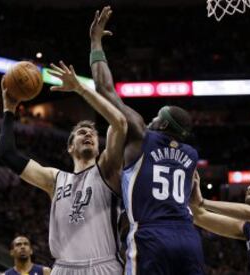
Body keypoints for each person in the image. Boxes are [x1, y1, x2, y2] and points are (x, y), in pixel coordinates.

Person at [89, 7, 205, 275]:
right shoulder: (191, 155)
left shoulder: (142, 134)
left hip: (151, 236)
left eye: (156, 116)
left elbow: (104, 89)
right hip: (189, 237)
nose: (151, 119)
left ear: (162, 125)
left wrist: (96, 41)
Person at [0, 62, 127, 275]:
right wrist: (9, 111)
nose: (87, 134)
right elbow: (7, 154)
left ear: (98, 145)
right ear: (69, 147)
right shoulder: (54, 179)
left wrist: (80, 88)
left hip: (103, 266)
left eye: (92, 133)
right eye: (81, 132)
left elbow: (120, 123)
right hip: (63, 269)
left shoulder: (107, 169)